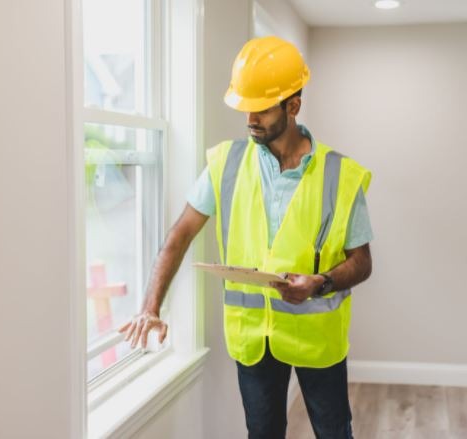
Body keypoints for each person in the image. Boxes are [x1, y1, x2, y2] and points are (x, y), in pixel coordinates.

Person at [119, 35, 373, 439]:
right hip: (253, 340)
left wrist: (320, 283)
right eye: (245, 107)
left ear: (293, 106)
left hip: (317, 340)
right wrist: (151, 307)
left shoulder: (341, 175)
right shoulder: (226, 163)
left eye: (261, 108)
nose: (250, 118)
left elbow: (362, 261)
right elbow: (179, 235)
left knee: (334, 433)